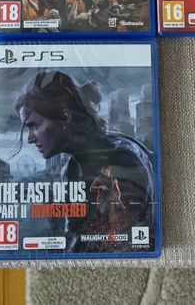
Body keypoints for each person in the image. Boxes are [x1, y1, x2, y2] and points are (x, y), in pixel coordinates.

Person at [14, 70, 155, 251]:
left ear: (66, 117)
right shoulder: (72, 167)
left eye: (34, 126)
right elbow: (79, 236)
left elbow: (128, 241)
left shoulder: (121, 159)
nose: (30, 138)